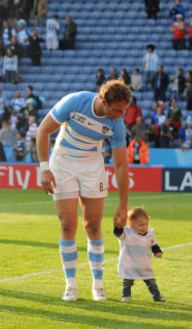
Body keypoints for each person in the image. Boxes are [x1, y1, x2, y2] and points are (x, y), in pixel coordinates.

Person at [36, 80, 131, 302]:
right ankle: (71, 285)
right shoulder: (75, 101)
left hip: (92, 166)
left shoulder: (117, 124)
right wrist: (44, 168)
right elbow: (43, 130)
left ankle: (98, 284)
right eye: (117, 109)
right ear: (103, 101)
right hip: (63, 162)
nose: (120, 114)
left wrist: (124, 205)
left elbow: (120, 165)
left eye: (123, 110)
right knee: (68, 224)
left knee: (93, 225)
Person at [114, 207, 166, 302]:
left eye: (146, 224)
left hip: (144, 264)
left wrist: (157, 252)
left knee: (151, 282)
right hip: (129, 263)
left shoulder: (150, 234)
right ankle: (126, 296)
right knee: (127, 282)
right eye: (141, 225)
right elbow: (118, 233)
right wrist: (117, 226)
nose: (144, 227)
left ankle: (157, 297)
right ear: (131, 224)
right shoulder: (127, 232)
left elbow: (154, 245)